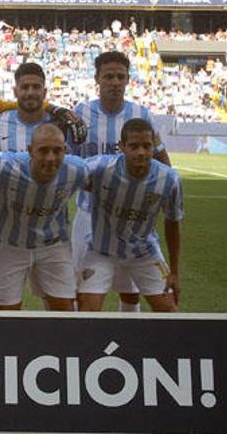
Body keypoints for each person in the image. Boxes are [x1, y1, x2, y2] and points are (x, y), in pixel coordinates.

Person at [71, 51, 171, 312]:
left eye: (120, 76)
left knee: (130, 292)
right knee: (82, 291)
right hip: (88, 213)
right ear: (97, 78)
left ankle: (129, 346)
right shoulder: (81, 112)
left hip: (130, 216)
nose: (115, 82)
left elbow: (161, 158)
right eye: (108, 76)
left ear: (128, 80)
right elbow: (69, 162)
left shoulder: (140, 113)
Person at [0, 123, 87, 310]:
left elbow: (99, 181)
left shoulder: (76, 169)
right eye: (43, 151)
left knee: (65, 311)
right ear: (30, 150)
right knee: (7, 314)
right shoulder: (6, 165)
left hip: (54, 246)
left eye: (57, 151)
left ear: (65, 150)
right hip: (9, 247)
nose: (50, 158)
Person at [76, 119, 183, 312]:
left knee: (170, 313)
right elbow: (67, 172)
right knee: (88, 311)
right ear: (122, 147)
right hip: (101, 252)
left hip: (144, 254)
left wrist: (174, 271)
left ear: (153, 147)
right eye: (134, 146)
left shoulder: (169, 179)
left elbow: (173, 222)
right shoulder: (100, 168)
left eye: (146, 146)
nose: (141, 152)